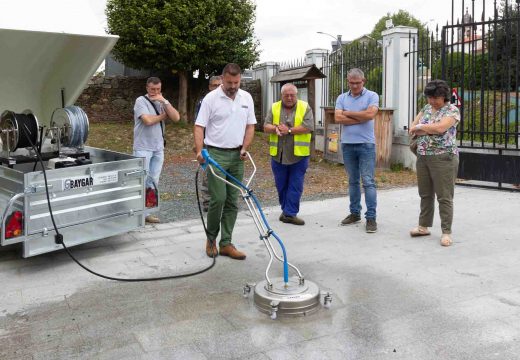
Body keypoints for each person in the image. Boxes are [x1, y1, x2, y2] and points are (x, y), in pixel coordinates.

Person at [194, 63, 256, 260]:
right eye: (229, 82)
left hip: (237, 156)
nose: (233, 86)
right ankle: (211, 239)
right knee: (218, 199)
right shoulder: (211, 99)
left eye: (236, 82)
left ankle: (226, 243)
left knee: (232, 201)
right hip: (215, 154)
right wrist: (199, 151)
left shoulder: (246, 98)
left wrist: (245, 147)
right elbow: (199, 126)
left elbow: (250, 126)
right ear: (222, 79)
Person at [409, 80, 460, 247]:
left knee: (444, 196)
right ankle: (423, 226)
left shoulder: (452, 110)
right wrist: (425, 127)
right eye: (429, 97)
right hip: (423, 156)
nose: (432, 101)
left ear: (444, 96)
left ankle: (446, 232)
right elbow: (412, 127)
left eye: (435, 98)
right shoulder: (425, 109)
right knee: (425, 194)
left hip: (443, 157)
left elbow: (441, 128)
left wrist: (422, 128)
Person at [334, 68, 379, 233]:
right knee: (353, 181)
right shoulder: (341, 97)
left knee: (368, 181)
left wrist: (348, 113)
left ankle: (371, 218)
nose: (354, 86)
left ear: (363, 81)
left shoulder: (372, 96)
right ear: (348, 81)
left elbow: (370, 115)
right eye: (351, 83)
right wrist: (360, 116)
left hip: (366, 145)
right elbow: (337, 118)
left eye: (357, 83)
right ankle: (354, 213)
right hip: (347, 144)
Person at [264, 83, 313, 225]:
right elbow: (266, 126)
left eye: (292, 95)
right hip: (278, 155)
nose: (290, 98)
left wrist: (289, 131)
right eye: (286, 95)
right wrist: (275, 129)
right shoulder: (274, 107)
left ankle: (290, 213)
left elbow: (309, 127)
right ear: (282, 96)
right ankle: (286, 211)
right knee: (281, 185)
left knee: (295, 185)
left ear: (296, 95)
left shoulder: (305, 107)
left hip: (299, 155)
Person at [133, 77, 180, 223]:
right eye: (152, 89)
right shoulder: (140, 101)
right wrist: (164, 116)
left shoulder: (162, 102)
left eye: (158, 89)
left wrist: (164, 102)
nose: (155, 92)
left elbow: (177, 118)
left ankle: (148, 213)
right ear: (147, 88)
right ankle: (135, 213)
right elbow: (147, 121)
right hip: (142, 148)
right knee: (140, 180)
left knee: (153, 181)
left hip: (158, 148)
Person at [194, 76, 223, 212]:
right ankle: (207, 202)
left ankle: (221, 200)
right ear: (209, 87)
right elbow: (199, 125)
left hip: (223, 144)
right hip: (207, 143)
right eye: (214, 85)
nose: (217, 88)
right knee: (207, 173)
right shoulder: (204, 102)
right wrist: (200, 146)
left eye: (219, 85)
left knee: (221, 172)